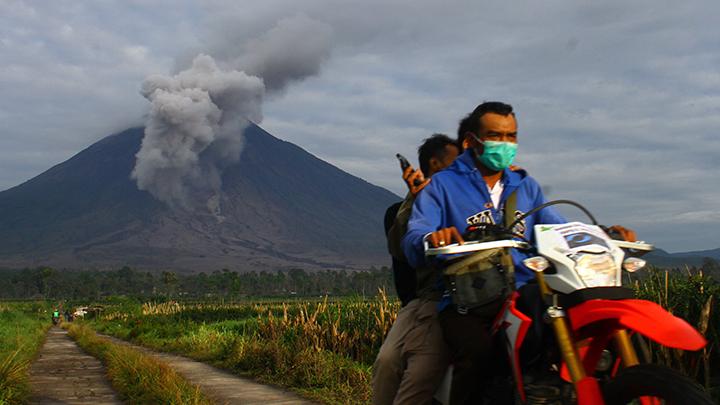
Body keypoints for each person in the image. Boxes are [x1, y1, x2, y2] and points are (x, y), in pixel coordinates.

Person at [402, 102, 634, 404]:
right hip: (468, 299)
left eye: (511, 136)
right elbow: (414, 237)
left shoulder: (525, 185)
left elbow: (557, 231)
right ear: (471, 141)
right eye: (495, 136)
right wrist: (433, 238)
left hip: (525, 290)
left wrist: (604, 233)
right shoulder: (443, 186)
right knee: (479, 354)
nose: (505, 144)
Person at [373, 134, 459, 405]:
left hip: (479, 297)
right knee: (388, 363)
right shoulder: (406, 211)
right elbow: (401, 248)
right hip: (429, 300)